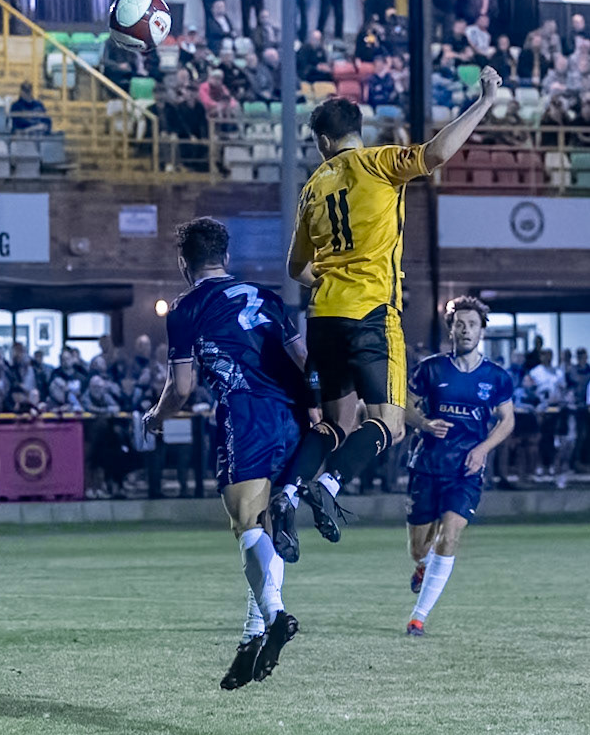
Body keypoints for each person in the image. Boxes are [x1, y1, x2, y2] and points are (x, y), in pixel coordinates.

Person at [273, 68, 504, 556]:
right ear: (357, 131)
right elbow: (437, 154)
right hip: (372, 314)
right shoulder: (378, 163)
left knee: (335, 424)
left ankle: (288, 493)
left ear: (321, 141)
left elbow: (297, 268)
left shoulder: (312, 186)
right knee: (390, 425)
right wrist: (483, 103)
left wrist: (332, 279)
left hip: (322, 318)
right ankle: (328, 487)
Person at [145, 218, 312, 689]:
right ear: (226, 257)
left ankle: (275, 617)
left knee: (247, 524)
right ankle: (251, 636)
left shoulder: (185, 307)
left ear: (184, 262)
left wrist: (156, 417)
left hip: (246, 412)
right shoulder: (269, 297)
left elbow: (181, 387)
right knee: (270, 525)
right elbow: (304, 361)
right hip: (295, 415)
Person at [402, 297, 516, 637]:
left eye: (472, 325)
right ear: (451, 329)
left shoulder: (496, 377)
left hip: (465, 471)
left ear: (482, 331)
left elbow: (507, 420)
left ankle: (417, 618)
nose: (466, 330)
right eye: (460, 324)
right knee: (419, 548)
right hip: (427, 466)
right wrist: (422, 422)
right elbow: (404, 405)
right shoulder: (431, 369)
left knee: (450, 536)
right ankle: (423, 565)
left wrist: (482, 449)